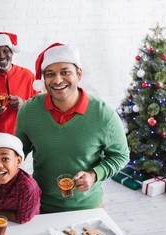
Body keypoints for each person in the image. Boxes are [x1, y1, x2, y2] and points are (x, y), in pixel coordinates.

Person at [16, 43, 130, 213]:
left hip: (87, 207)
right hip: (39, 205)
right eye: (50, 74)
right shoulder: (28, 111)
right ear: (44, 79)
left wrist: (94, 174)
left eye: (65, 72)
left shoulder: (104, 114)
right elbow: (17, 153)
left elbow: (121, 156)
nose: (57, 80)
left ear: (79, 74)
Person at [0, 32, 38, 141]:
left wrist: (24, 104)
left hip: (21, 138)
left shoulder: (28, 76)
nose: (2, 56)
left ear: (12, 52)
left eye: (5, 51)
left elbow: (39, 108)